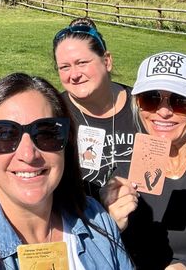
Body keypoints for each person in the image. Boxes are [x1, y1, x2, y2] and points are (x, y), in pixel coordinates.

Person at [0, 73, 132, 269]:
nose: (29, 154)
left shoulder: (96, 220)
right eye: (5, 135)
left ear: (66, 142)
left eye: (46, 133)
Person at [101, 52, 186, 269]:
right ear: (138, 105)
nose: (163, 112)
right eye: (151, 99)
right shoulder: (125, 172)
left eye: (180, 101)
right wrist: (109, 225)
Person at [53, 17, 137, 197]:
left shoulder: (144, 106)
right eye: (64, 67)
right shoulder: (54, 116)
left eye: (82, 63)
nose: (74, 75)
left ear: (106, 61)